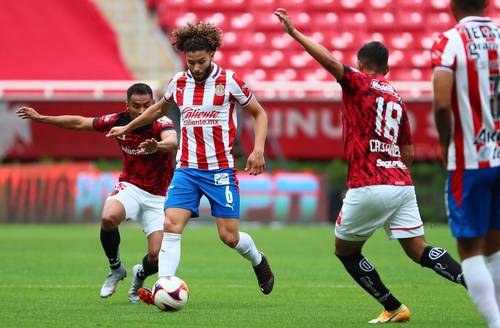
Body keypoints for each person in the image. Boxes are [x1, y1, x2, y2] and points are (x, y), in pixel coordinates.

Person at [275, 8, 466, 324]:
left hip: (368, 182)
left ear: (361, 64)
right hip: (401, 183)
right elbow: (409, 150)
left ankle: (393, 306)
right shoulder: (397, 98)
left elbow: (330, 63)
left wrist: (295, 34)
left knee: (346, 252)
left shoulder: (358, 82)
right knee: (420, 250)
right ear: (388, 69)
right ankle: (477, 284)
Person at [106, 22, 274, 301]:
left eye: (201, 61)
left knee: (229, 237)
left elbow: (259, 113)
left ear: (212, 55)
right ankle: (164, 286)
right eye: (191, 62)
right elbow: (158, 109)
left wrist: (258, 150)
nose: (196, 67)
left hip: (219, 170)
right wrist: (127, 127)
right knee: (171, 225)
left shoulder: (229, 82)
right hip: (186, 169)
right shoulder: (178, 82)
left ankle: (258, 260)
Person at [16, 83, 178, 303]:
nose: (141, 111)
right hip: (130, 186)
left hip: (159, 196)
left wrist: (157, 147)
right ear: (127, 105)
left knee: (156, 257)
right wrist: (42, 118)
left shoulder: (161, 122)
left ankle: (140, 273)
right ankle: (116, 269)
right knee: (108, 217)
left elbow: (172, 141)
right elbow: (80, 122)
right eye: (136, 106)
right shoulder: (117, 121)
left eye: (147, 106)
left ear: (154, 103)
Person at [431, 0, 500, 327]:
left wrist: (445, 144)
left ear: (451, 4)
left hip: (470, 160)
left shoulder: (449, 42)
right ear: (487, 3)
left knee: (470, 249)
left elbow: (442, 103)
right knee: (496, 246)